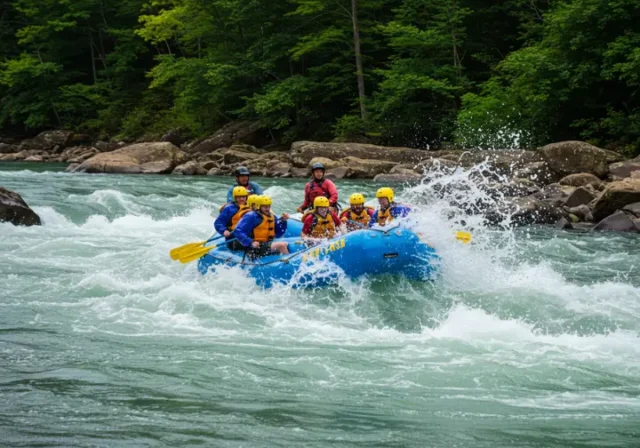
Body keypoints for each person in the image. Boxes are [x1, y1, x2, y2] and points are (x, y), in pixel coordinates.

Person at [214, 186, 250, 250]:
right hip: (233, 237)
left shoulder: (250, 206)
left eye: (243, 197)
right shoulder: (229, 208)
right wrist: (224, 231)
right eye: (239, 197)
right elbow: (218, 223)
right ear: (235, 198)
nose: (242, 199)